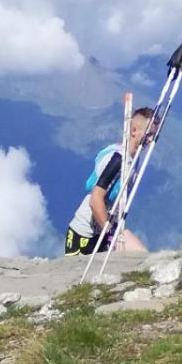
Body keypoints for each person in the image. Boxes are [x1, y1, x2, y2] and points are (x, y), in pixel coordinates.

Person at [64, 107, 154, 255]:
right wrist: (111, 234)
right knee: (137, 254)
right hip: (84, 235)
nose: (150, 140)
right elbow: (95, 199)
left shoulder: (133, 158)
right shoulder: (117, 159)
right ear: (134, 131)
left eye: (153, 136)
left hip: (103, 230)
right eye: (149, 134)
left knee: (138, 255)